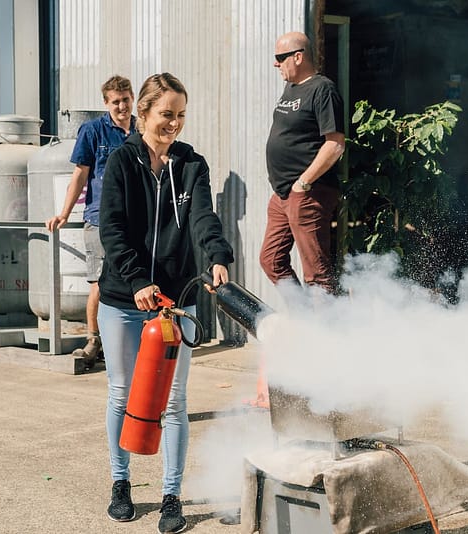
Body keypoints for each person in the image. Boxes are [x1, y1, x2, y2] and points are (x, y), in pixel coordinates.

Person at [97, 73, 233, 533]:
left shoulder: (192, 164)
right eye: (166, 114)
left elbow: (203, 218)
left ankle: (172, 494)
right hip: (123, 298)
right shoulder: (121, 161)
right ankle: (121, 483)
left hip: (175, 300)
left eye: (180, 115)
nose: (174, 123)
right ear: (143, 114)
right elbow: (112, 229)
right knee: (122, 392)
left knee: (174, 401)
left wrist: (216, 256)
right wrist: (136, 279)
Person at [45, 75, 136, 366]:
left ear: (133, 98)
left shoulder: (142, 129)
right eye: (116, 101)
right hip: (101, 219)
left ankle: (128, 340)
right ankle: (94, 340)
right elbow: (80, 175)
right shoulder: (93, 131)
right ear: (106, 103)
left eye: (126, 100)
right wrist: (64, 213)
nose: (122, 106)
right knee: (100, 280)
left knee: (135, 278)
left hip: (137, 220)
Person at [260, 31, 346, 296]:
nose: (275, 63)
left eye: (280, 57)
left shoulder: (323, 89)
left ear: (298, 57)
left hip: (308, 192)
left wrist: (303, 183)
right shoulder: (291, 88)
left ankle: (327, 321)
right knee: (271, 260)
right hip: (283, 193)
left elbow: (335, 144)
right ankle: (304, 314)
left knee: (317, 273)